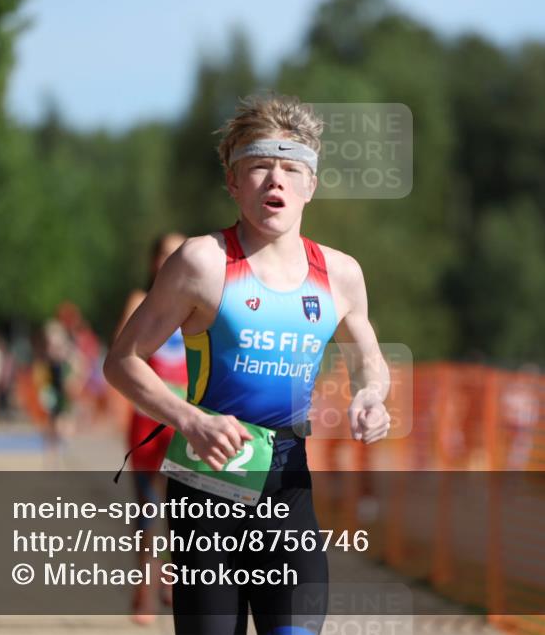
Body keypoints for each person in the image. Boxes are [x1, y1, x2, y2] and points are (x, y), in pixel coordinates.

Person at [104, 93, 391, 635]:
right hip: (207, 477)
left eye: (291, 169)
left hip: (289, 481)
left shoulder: (341, 274)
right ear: (233, 183)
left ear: (312, 184)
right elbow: (122, 361)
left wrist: (372, 397)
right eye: (259, 167)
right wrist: (189, 419)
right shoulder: (200, 262)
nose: (275, 181)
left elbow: (371, 364)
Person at [113, 231, 187, 624]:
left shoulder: (198, 302)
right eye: (165, 254)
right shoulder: (137, 301)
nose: (172, 259)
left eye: (179, 253)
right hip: (147, 419)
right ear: (153, 261)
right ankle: (143, 587)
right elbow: (121, 356)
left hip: (186, 420)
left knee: (182, 508)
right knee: (149, 509)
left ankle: (170, 581)